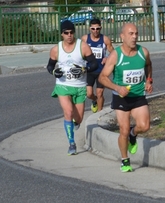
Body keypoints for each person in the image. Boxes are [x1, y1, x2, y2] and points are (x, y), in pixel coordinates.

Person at [99, 23, 153, 173]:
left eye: (136, 33)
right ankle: (125, 160)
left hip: (138, 96)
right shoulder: (116, 55)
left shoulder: (144, 52)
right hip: (121, 97)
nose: (134, 37)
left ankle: (133, 133)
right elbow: (102, 77)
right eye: (131, 34)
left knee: (144, 126)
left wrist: (149, 80)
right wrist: (117, 88)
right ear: (122, 36)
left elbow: (148, 65)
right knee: (122, 130)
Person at [47, 20, 98, 156]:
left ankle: (75, 123)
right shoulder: (56, 49)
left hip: (80, 86)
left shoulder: (83, 47)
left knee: (79, 118)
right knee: (68, 112)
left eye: (71, 33)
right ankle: (71, 143)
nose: (69, 35)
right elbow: (50, 66)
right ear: (62, 34)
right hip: (63, 85)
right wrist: (54, 72)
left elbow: (94, 64)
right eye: (66, 33)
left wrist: (84, 68)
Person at [81, 17, 114, 113]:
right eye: (93, 29)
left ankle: (99, 114)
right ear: (89, 28)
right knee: (89, 94)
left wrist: (107, 57)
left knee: (100, 93)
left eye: (97, 28)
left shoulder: (105, 39)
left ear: (101, 28)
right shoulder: (85, 39)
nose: (95, 31)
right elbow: (79, 51)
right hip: (90, 70)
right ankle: (94, 100)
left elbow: (114, 53)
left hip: (101, 71)